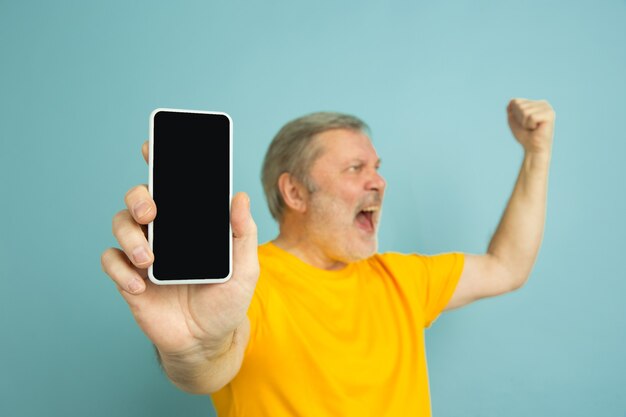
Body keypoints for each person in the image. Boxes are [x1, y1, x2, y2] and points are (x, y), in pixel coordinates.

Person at [101, 98, 555, 416]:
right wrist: (192, 347)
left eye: (377, 168)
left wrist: (537, 154)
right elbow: (207, 370)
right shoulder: (242, 282)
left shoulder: (402, 278)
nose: (378, 182)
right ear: (295, 191)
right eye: (356, 168)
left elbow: (506, 267)